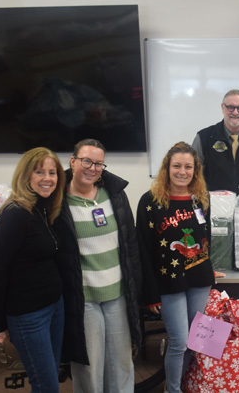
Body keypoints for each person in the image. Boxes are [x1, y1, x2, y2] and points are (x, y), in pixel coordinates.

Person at [54, 139, 142, 392]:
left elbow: (130, 242)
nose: (92, 168)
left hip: (117, 294)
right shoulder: (58, 201)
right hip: (84, 298)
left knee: (122, 362)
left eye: (99, 163)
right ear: (73, 161)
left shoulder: (114, 194)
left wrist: (137, 288)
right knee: (89, 366)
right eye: (86, 161)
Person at [137, 142, 215, 393]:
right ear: (167, 168)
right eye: (177, 166)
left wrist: (209, 265)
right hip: (167, 282)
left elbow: (206, 236)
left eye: (188, 167)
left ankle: (179, 386)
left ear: (195, 170)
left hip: (199, 279)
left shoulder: (201, 198)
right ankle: (172, 390)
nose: (182, 172)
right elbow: (143, 249)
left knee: (194, 342)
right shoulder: (150, 201)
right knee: (179, 342)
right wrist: (149, 294)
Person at [0, 147, 66, 392]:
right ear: (25, 175)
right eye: (39, 172)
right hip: (28, 316)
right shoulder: (16, 214)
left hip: (54, 306)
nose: (47, 178)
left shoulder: (43, 207)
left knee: (50, 376)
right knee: (46, 385)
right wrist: (0, 324)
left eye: (52, 172)